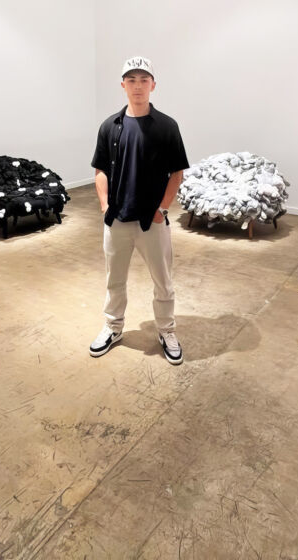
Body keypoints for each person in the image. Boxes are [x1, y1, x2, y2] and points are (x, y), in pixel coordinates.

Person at [89, 57, 189, 364]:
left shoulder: (167, 127)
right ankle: (113, 327)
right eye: (131, 80)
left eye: (143, 80)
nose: (137, 86)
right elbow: (101, 170)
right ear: (123, 85)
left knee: (163, 281)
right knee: (114, 280)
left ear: (153, 85)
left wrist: (162, 208)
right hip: (117, 219)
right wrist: (106, 205)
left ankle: (166, 330)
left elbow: (177, 173)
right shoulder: (109, 127)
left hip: (152, 221)